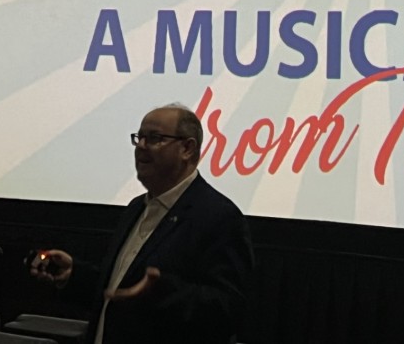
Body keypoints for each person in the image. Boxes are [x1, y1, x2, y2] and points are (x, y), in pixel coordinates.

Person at [30, 104, 253, 344]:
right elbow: (121, 290)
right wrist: (75, 276)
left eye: (154, 138)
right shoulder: (137, 207)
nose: (142, 147)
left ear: (187, 149)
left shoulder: (218, 216)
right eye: (139, 138)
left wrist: (160, 291)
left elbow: (228, 310)